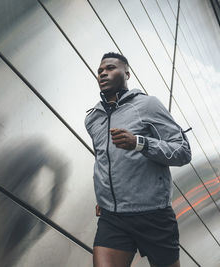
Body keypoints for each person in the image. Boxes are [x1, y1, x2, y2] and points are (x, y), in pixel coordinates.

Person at [85, 52, 192, 267]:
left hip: (153, 215)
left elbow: (183, 151)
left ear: (127, 73)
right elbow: (103, 161)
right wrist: (104, 195)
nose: (103, 73)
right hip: (112, 217)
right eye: (100, 71)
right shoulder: (93, 118)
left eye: (111, 68)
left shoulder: (147, 105)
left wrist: (139, 143)